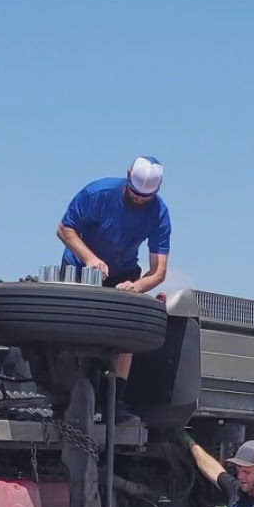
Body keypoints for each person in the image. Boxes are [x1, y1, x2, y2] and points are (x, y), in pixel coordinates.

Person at [55, 156, 171, 379]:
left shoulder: (159, 213)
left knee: (126, 333)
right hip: (79, 268)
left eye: (145, 198)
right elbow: (64, 229)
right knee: (72, 328)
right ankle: (65, 384)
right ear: (128, 176)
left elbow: (159, 271)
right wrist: (90, 259)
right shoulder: (98, 193)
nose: (139, 200)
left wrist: (136, 287)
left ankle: (116, 396)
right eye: (135, 194)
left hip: (123, 273)